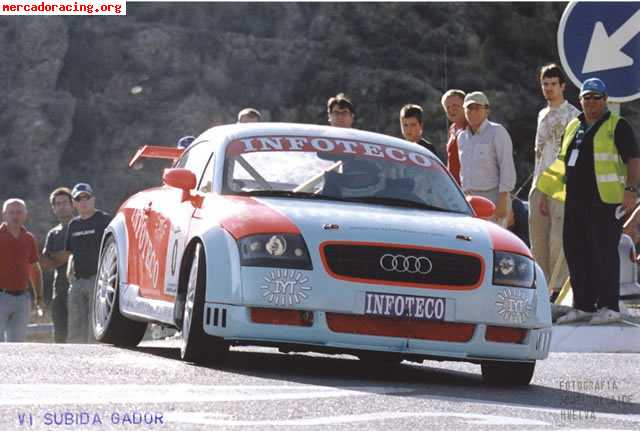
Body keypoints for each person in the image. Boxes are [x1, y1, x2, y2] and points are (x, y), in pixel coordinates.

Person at [538, 78, 640, 325]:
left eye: (596, 97)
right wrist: (544, 192)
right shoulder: (574, 125)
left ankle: (609, 306)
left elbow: (634, 160)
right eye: (587, 97)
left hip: (606, 201)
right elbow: (562, 162)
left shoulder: (617, 126)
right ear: (580, 100)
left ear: (605, 100)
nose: (591, 102)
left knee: (603, 252)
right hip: (575, 201)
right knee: (576, 251)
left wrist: (631, 190)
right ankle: (583, 305)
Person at [529, 64, 580, 299]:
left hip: (561, 185)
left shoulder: (573, 115)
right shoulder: (542, 114)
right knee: (538, 240)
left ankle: (558, 290)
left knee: (557, 240)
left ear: (563, 86)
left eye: (553, 84)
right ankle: (541, 285)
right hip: (539, 183)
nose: (548, 89)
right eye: (545, 84)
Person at [458, 91, 516, 226]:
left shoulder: (497, 132)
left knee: (493, 241)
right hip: (469, 200)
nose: (472, 112)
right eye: (469, 108)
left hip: (492, 198)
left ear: (486, 110)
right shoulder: (461, 137)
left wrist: (504, 201)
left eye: (477, 108)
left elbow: (507, 166)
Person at [63, 183, 111, 342]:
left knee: (94, 324)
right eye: (79, 199)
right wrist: (70, 269)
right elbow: (71, 252)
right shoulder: (73, 224)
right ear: (74, 204)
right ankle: (75, 360)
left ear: (93, 200)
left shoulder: (104, 220)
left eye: (87, 198)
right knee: (75, 323)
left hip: (98, 279)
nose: (83, 202)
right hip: (77, 281)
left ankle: (93, 360)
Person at [0, 199, 43, 342]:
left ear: (25, 215)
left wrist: (38, 296)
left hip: (22, 299)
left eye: (19, 212)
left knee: (17, 346)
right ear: (4, 215)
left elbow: (34, 268)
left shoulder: (29, 238)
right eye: (11, 212)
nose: (15, 216)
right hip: (1, 295)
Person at [40, 187, 75, 343]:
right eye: (58, 204)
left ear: (72, 204)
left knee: (79, 335)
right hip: (59, 291)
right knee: (60, 336)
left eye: (65, 203)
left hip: (80, 289)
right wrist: (68, 255)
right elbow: (45, 264)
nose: (62, 207)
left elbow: (77, 256)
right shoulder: (53, 234)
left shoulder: (82, 226)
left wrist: (59, 256)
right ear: (53, 208)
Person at [441, 89, 467, 184]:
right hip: (454, 186)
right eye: (447, 107)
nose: (451, 110)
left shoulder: (472, 128)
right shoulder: (452, 128)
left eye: (455, 106)